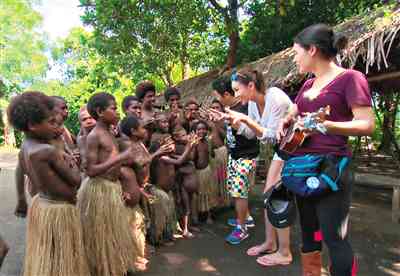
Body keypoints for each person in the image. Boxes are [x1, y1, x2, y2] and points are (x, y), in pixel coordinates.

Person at [276, 24, 375, 276]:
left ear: (312, 50)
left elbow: (367, 124)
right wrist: (285, 120)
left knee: (334, 237)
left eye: (296, 52)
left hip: (330, 170)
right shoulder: (308, 85)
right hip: (301, 170)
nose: (295, 58)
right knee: (310, 235)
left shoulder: (351, 78)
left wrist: (326, 126)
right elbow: (295, 109)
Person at [8, 92, 89, 276]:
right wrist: (71, 161)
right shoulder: (48, 151)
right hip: (59, 209)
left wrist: (21, 199)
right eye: (51, 122)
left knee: (49, 253)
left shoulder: (26, 146)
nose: (56, 127)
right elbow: (76, 180)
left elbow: (20, 170)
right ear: (33, 125)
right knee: (63, 254)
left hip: (42, 204)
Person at [222, 67, 293, 266]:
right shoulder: (253, 104)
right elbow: (251, 133)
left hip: (298, 148)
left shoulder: (275, 98)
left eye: (237, 90)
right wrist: (235, 123)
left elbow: (269, 135)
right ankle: (270, 243)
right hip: (283, 149)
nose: (236, 95)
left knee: (277, 199)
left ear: (251, 86)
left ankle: (284, 252)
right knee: (269, 196)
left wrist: (243, 118)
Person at [77, 92, 136, 276]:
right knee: (101, 236)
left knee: (113, 233)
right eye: (113, 108)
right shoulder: (94, 136)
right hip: (99, 190)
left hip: (111, 188)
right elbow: (90, 170)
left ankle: (114, 267)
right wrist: (120, 157)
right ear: (100, 112)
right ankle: (104, 269)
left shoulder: (109, 132)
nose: (117, 112)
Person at [211, 76, 259, 245]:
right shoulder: (230, 109)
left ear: (225, 94)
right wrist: (223, 119)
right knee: (236, 191)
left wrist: (233, 121)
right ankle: (245, 218)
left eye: (217, 96)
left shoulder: (245, 107)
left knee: (239, 193)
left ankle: (242, 228)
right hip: (235, 155)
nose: (216, 99)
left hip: (245, 157)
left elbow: (252, 133)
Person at [76, 105, 96, 177]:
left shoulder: (105, 133)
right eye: (84, 119)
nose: (88, 121)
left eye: (91, 118)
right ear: (80, 124)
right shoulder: (80, 139)